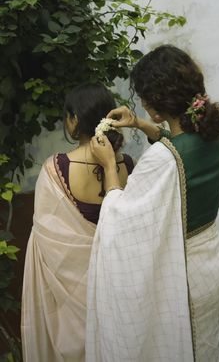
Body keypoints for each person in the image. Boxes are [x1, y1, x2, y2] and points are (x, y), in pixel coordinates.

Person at [86, 45, 219, 362]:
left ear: (156, 105)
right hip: (209, 262)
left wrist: (109, 164)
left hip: (182, 275)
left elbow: (123, 217)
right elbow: (179, 150)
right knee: (202, 344)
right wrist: (140, 124)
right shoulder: (213, 137)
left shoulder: (162, 159)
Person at [21, 83, 134, 362]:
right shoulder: (127, 166)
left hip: (71, 306)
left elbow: (46, 242)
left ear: (74, 119)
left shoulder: (55, 169)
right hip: (115, 292)